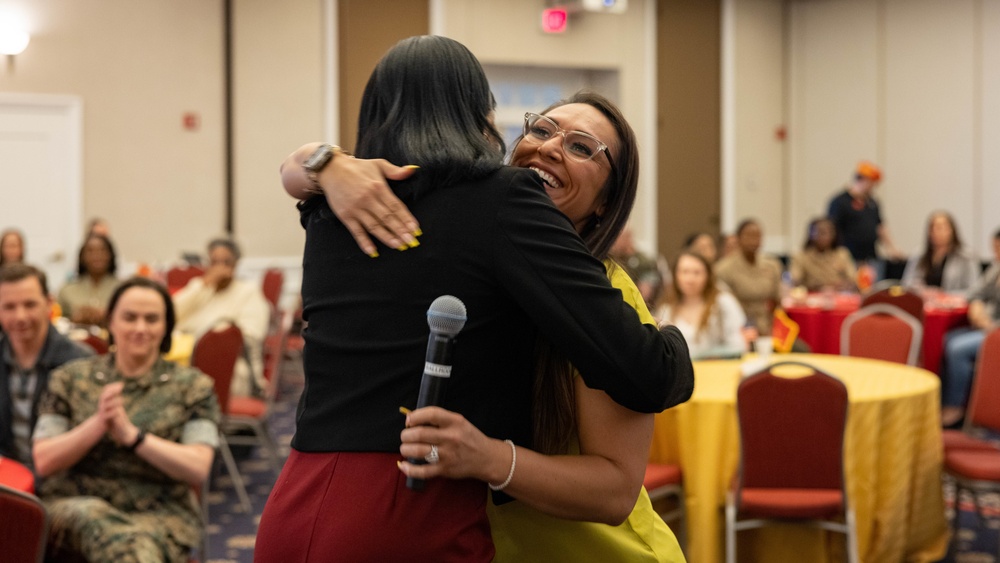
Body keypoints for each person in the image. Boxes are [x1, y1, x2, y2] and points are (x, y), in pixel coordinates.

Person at [256, 36, 692, 562]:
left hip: (294, 496)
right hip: (408, 508)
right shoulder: (503, 201)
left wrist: (321, 163)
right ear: (480, 114)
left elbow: (295, 173)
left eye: (581, 147)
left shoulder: (329, 208)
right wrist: (676, 347)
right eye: (542, 129)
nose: (552, 147)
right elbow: (648, 373)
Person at [33, 277, 220, 562]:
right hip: (74, 505)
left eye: (152, 319)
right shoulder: (70, 378)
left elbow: (198, 467)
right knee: (103, 523)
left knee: (137, 548)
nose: (140, 328)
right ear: (111, 322)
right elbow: (44, 459)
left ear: (166, 326)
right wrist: (97, 425)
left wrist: (133, 437)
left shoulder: (193, 387)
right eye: (130, 317)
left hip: (161, 514)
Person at [0, 264, 90, 467]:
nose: (20, 316)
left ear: (49, 303)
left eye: (29, 305)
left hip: (60, 481)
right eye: (9, 307)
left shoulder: (79, 362)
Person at [172, 238, 270, 397]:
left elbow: (251, 336)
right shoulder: (201, 287)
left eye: (226, 262)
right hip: (186, 358)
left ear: (236, 263)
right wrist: (203, 285)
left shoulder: (248, 292)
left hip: (230, 365)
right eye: (214, 262)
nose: (220, 267)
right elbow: (170, 314)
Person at [940, 227, 1000, 427]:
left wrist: (991, 325)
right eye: (995, 249)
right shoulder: (997, 267)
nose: (996, 254)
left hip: (995, 330)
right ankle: (961, 401)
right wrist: (976, 306)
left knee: (957, 349)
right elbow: (974, 293)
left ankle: (955, 407)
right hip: (986, 325)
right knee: (945, 339)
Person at [656, 251, 746, 360]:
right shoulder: (666, 308)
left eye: (697, 272)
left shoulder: (723, 302)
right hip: (681, 373)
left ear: (708, 275)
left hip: (718, 368)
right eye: (684, 272)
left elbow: (738, 345)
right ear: (675, 275)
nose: (690, 279)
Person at [715, 219, 783, 336]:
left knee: (800, 348)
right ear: (738, 239)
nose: (753, 241)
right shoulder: (723, 268)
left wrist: (773, 328)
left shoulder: (772, 265)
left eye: (757, 236)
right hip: (739, 328)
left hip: (767, 326)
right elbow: (722, 307)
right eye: (748, 236)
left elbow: (777, 301)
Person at [827, 160, 902, 264]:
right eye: (871, 183)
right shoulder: (840, 202)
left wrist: (893, 249)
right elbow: (832, 230)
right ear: (861, 179)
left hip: (870, 257)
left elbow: (880, 227)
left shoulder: (872, 203)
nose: (873, 188)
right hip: (848, 258)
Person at [901, 211, 980, 293]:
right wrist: (922, 290)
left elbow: (974, 289)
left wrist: (944, 295)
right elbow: (906, 283)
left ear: (951, 230)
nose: (936, 232)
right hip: (924, 302)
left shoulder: (966, 256)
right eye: (932, 228)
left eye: (940, 228)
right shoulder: (919, 254)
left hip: (953, 302)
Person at [58, 233, 119, 326]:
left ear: (110, 255)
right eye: (90, 251)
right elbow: (57, 321)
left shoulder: (121, 289)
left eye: (102, 250)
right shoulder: (67, 290)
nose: (97, 256)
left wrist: (105, 316)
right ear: (82, 257)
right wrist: (75, 319)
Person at [789, 217, 857, 292]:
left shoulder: (842, 254)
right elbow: (795, 281)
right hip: (812, 296)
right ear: (811, 234)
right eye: (821, 232)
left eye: (829, 232)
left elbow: (852, 278)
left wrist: (840, 286)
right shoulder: (801, 256)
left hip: (838, 295)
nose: (825, 236)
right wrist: (817, 287)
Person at [609, 225, 664, 309]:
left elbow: (645, 293)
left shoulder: (644, 262)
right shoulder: (613, 260)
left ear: (628, 238)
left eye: (618, 237)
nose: (614, 242)